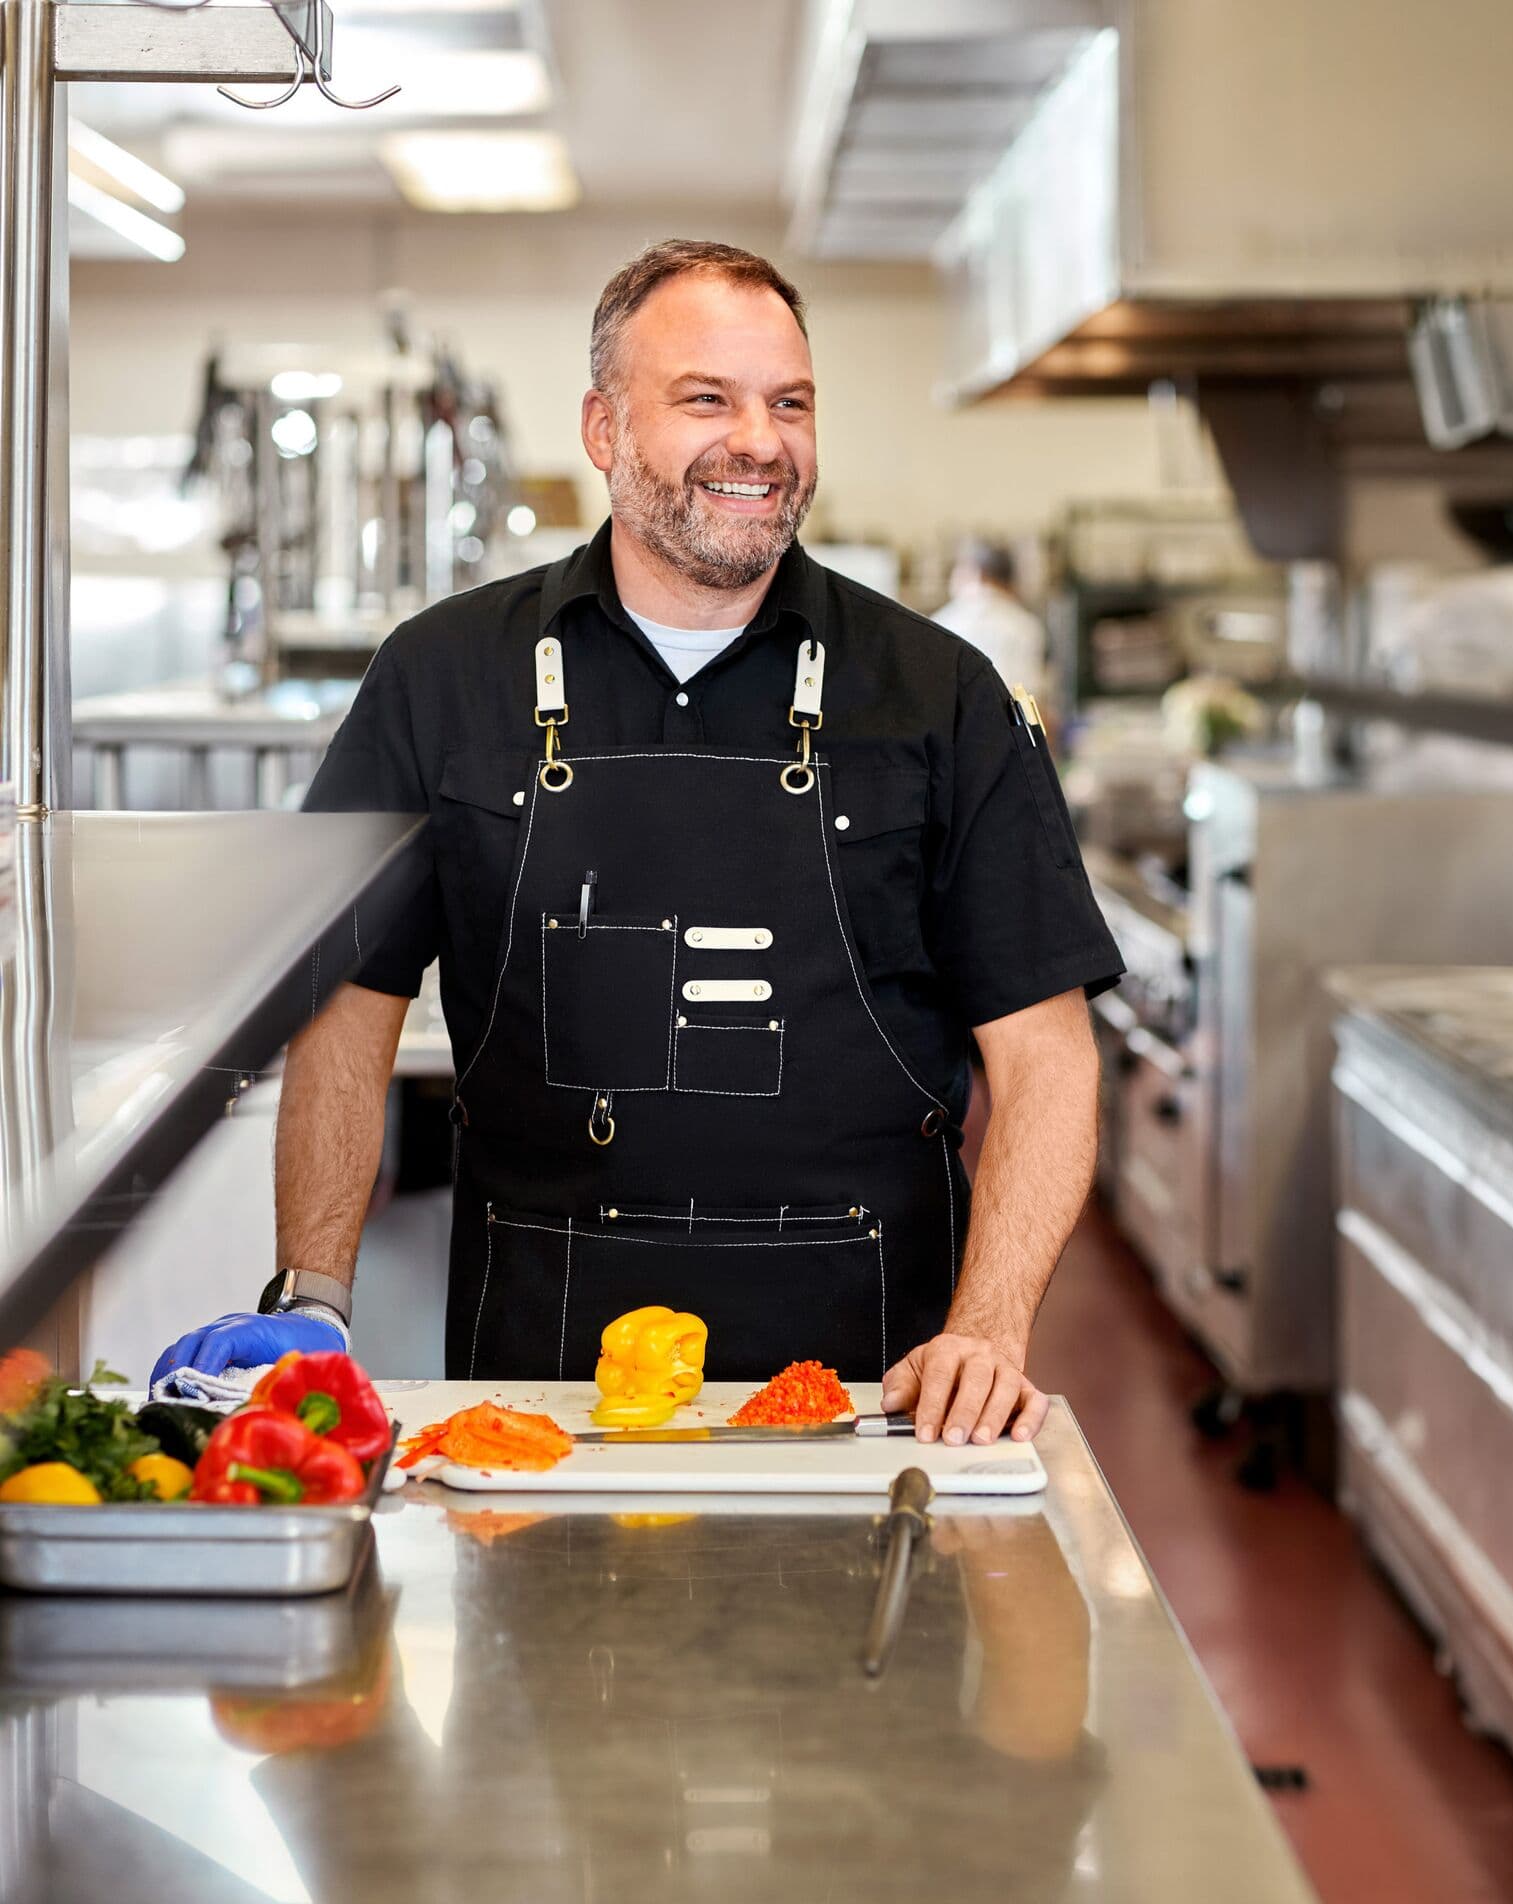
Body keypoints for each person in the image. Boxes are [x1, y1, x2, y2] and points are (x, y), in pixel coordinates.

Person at [151, 240, 1120, 1447]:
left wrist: (988, 1325)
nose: (758, 442)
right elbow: (351, 1004)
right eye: (706, 399)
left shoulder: (941, 696)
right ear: (603, 430)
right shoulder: (444, 679)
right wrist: (316, 1297)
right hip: (532, 1397)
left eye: (790, 403)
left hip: (877, 1404)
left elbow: (1046, 1054)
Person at [931, 539, 1049, 706]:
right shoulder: (1025, 626)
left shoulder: (941, 622)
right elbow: (1032, 697)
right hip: (1009, 726)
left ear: (977, 573)